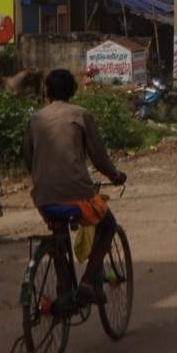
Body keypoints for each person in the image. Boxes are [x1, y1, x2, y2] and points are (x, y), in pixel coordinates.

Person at [24, 69, 127, 306]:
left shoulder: (35, 119)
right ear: (72, 91)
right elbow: (99, 157)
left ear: (46, 91)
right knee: (108, 225)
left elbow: (28, 159)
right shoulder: (80, 115)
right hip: (79, 195)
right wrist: (116, 175)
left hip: (44, 198)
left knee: (59, 234)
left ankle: (63, 290)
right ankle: (89, 282)